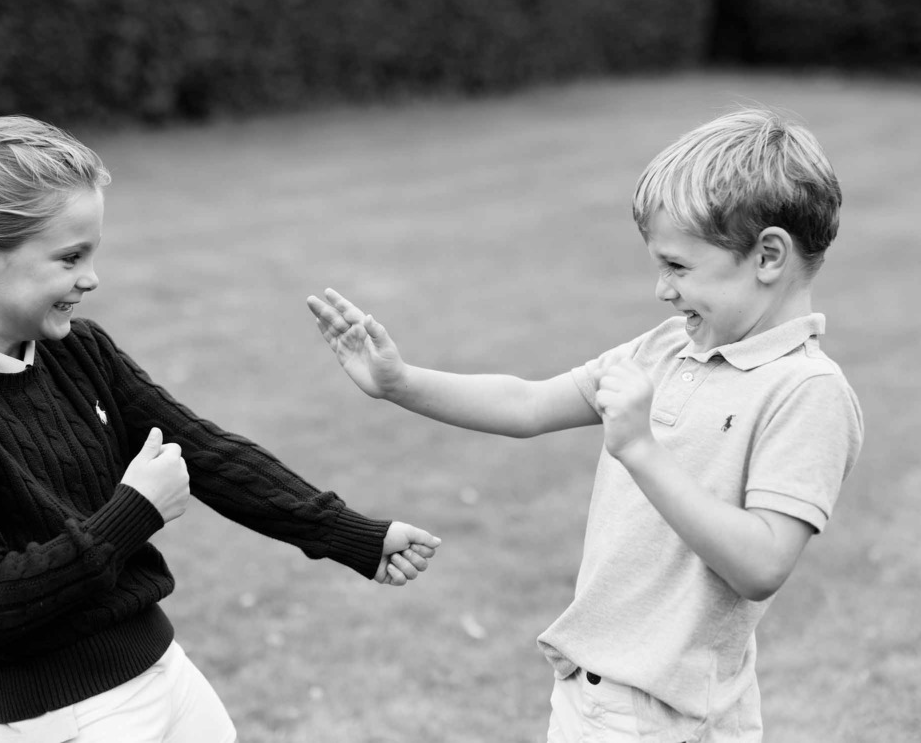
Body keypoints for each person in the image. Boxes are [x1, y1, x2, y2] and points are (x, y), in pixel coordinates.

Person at [0, 115, 441, 743]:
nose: (91, 276)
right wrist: (133, 512)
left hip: (167, 673)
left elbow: (206, 452)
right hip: (74, 718)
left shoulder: (77, 351)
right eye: (70, 257)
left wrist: (347, 532)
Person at [307, 108, 863, 741]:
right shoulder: (668, 347)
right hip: (596, 690)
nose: (662, 290)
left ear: (767, 255)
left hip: (662, 712)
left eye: (678, 267)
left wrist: (642, 451)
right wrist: (399, 382)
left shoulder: (807, 391)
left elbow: (762, 563)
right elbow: (527, 404)